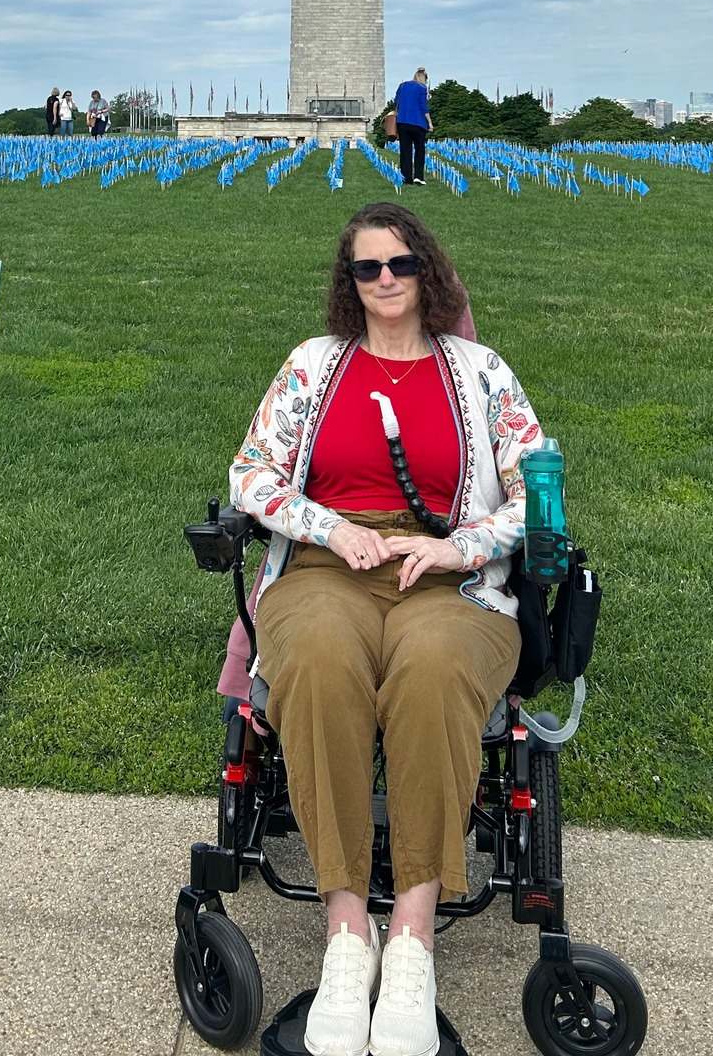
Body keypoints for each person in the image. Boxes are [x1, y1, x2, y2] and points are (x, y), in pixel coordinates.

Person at [229, 203, 544, 1056]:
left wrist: (458, 548)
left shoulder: (481, 371)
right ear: (350, 284)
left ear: (427, 270)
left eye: (399, 264)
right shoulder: (312, 365)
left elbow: (534, 495)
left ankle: (411, 937)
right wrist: (330, 528)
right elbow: (250, 475)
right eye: (367, 270)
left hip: (449, 576)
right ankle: (345, 936)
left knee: (435, 666)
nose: (385, 282)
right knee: (324, 657)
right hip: (332, 564)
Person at [393, 68, 431, 186]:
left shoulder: (402, 86)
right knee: (419, 150)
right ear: (424, 79)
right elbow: (423, 107)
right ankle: (418, 176)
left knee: (405, 151)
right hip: (418, 123)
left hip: (403, 122)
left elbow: (396, 102)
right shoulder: (422, 88)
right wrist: (429, 122)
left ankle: (406, 178)